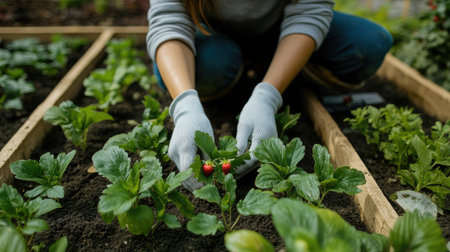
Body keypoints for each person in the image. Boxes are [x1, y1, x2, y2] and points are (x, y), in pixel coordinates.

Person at [146, 0, 393, 191]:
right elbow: (168, 20)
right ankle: (241, 73)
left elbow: (310, 12)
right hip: (208, 31)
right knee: (212, 66)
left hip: (279, 26)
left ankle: (279, 70)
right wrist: (186, 106)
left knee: (369, 44)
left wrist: (268, 95)